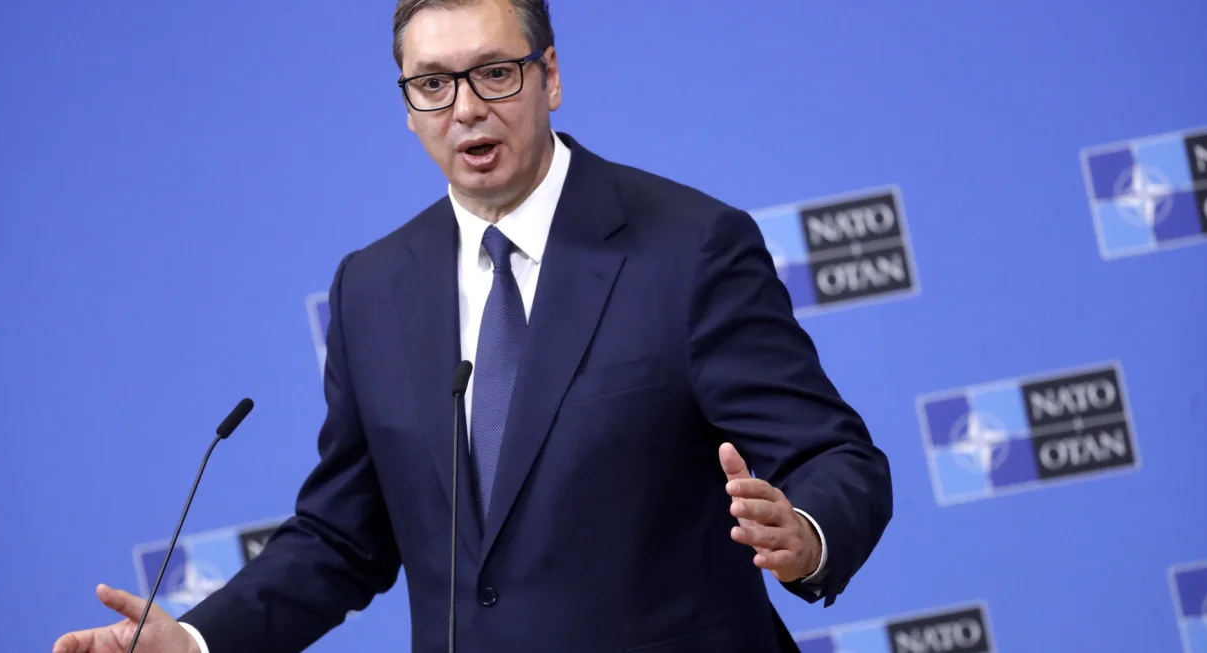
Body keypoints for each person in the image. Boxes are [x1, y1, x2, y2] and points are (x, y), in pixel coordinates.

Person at [53, 1, 892, 652]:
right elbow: (343, 532)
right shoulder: (373, 287)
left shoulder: (688, 247)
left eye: (494, 73)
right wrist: (199, 638)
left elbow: (834, 454)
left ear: (550, 76)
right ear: (409, 105)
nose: (465, 108)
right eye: (433, 84)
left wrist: (806, 533)